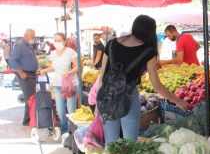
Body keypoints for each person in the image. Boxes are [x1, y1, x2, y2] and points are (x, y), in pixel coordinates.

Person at [97, 15, 189, 145]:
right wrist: (179, 101)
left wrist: (98, 104)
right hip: (128, 96)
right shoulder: (148, 51)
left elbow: (103, 77)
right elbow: (157, 86)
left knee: (110, 143)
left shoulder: (111, 44)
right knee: (131, 144)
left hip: (107, 96)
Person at [38, 33, 78, 134]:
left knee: (71, 111)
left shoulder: (71, 52)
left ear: (64, 41)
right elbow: (54, 67)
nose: (57, 42)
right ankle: (65, 132)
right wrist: (44, 71)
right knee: (60, 111)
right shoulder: (53, 53)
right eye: (55, 40)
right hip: (57, 85)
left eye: (59, 40)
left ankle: (73, 133)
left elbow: (78, 67)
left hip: (70, 84)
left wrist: (69, 72)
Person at [10, 29, 39, 126]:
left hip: (31, 74)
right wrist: (21, 72)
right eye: (32, 37)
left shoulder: (28, 46)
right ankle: (27, 121)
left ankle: (30, 119)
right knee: (30, 97)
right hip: (25, 74)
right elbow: (13, 60)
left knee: (32, 97)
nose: (33, 39)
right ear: (26, 35)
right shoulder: (20, 45)